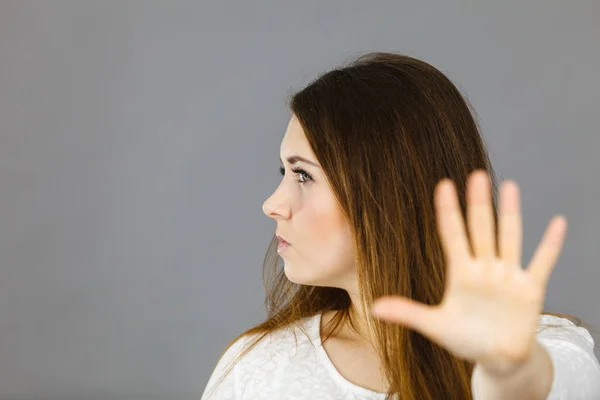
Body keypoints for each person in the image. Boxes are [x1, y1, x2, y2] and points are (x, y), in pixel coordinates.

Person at [201, 52, 600, 399]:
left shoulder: (544, 348)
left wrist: (506, 371)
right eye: (283, 172)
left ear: (387, 191)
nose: (272, 204)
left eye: (303, 175)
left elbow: (555, 386)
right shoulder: (259, 366)